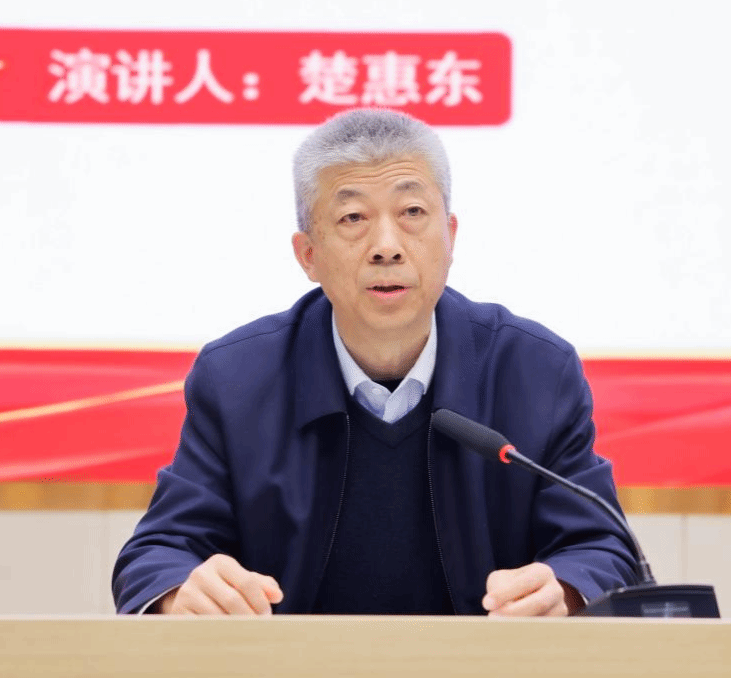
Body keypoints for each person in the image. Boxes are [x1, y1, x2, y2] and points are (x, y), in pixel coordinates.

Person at [112, 108, 635, 616]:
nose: (387, 247)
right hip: (290, 673)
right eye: (353, 218)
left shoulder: (535, 371)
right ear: (308, 255)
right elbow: (158, 553)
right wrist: (181, 592)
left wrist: (564, 590)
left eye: (413, 213)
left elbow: (603, 548)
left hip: (485, 673)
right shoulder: (237, 379)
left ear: (451, 236)